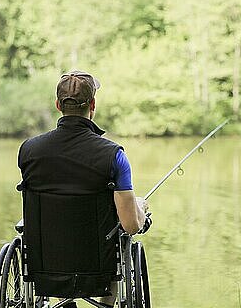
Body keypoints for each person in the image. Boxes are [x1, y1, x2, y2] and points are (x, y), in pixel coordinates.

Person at [17, 70, 151, 308]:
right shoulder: (114, 156)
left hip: (44, 268)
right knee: (119, 234)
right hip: (98, 269)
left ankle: (63, 302)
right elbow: (131, 225)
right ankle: (105, 304)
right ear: (92, 104)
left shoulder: (29, 151)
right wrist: (139, 207)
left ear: (58, 105)